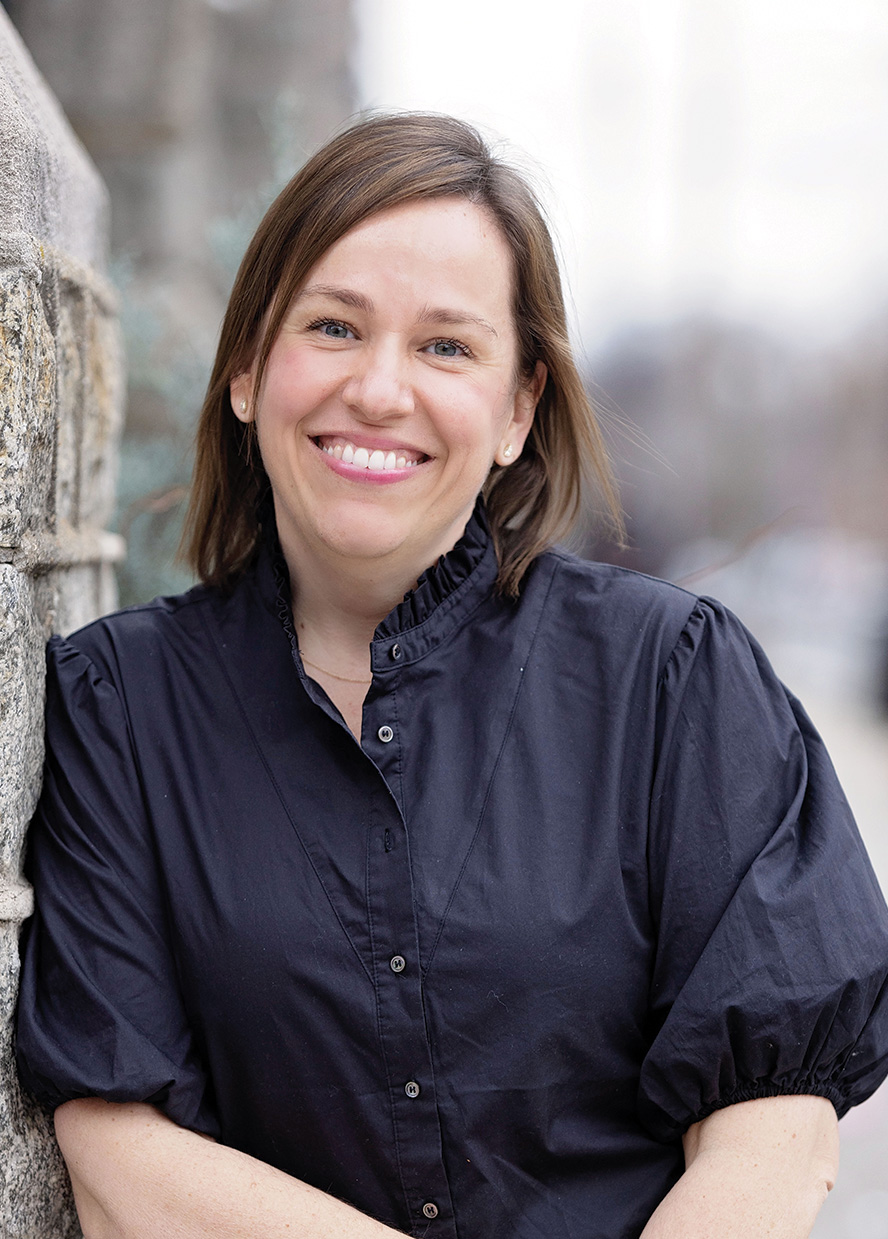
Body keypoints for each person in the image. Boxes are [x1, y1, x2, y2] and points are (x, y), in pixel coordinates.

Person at [15, 112, 888, 1239]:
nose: (380, 391)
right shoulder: (118, 707)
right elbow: (116, 1146)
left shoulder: (673, 679)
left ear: (519, 408)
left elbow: (775, 1115)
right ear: (246, 371)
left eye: (445, 347)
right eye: (333, 327)